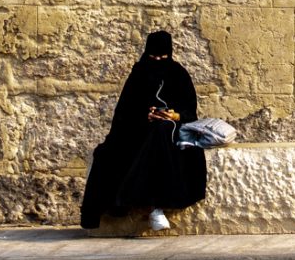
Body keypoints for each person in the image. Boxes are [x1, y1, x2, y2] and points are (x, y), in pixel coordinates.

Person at [78, 30, 207, 234]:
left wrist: (172, 115)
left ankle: (156, 207)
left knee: (161, 131)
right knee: (110, 152)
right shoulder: (138, 75)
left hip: (171, 129)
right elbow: (124, 112)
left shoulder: (178, 74)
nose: (157, 61)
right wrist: (144, 116)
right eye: (153, 57)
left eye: (162, 57)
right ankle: (150, 206)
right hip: (138, 129)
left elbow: (189, 111)